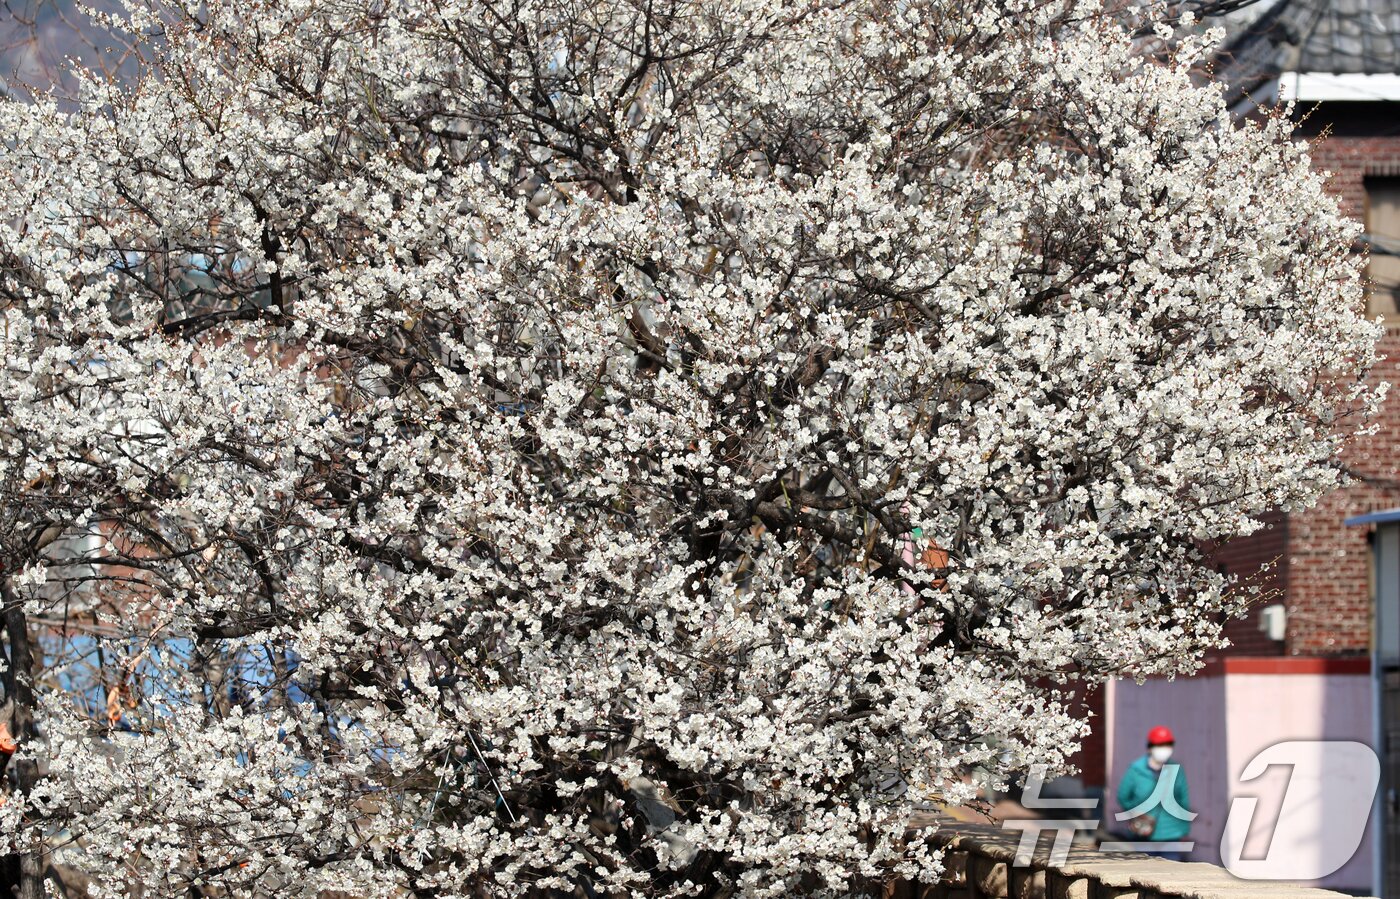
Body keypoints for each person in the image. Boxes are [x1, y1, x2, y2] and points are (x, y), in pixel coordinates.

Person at [1115, 725, 1193, 861]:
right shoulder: (1135, 770)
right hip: (1142, 834)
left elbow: (1183, 800)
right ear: (1150, 747)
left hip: (1171, 834)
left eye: (1168, 744)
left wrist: (1185, 830)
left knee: (1171, 875)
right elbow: (1123, 796)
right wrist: (1134, 813)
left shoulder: (1177, 770)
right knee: (1141, 874)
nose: (1164, 749)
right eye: (1160, 745)